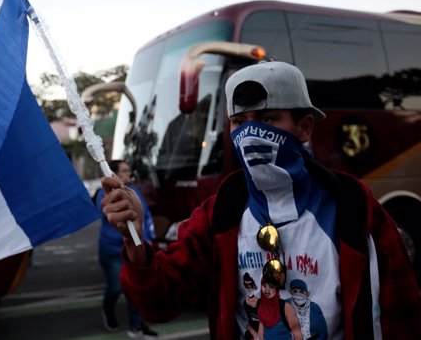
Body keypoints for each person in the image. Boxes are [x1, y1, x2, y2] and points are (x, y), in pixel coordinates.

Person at [99, 61, 421, 339]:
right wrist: (134, 239)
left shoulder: (354, 209)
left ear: (304, 127)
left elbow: (403, 318)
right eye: (240, 122)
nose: (251, 133)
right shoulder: (219, 213)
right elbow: (160, 303)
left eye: (267, 119)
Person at [96, 160, 158, 339]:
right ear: (114, 174)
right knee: (116, 287)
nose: (129, 173)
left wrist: (149, 237)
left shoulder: (133, 190)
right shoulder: (104, 192)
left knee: (135, 287)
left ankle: (136, 325)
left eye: (128, 170)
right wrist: (115, 196)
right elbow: (105, 212)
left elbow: (144, 215)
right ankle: (108, 309)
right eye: (124, 171)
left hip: (135, 249)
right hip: (112, 250)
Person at [242, 273, 260, 340]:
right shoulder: (245, 302)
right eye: (246, 285)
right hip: (252, 329)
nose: (249, 286)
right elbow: (249, 321)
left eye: (250, 284)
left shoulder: (261, 301)